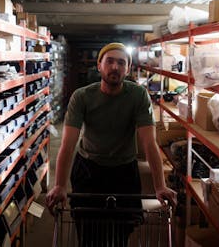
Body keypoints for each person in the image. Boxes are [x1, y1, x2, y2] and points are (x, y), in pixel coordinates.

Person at [46, 42, 177, 246]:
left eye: (121, 63)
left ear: (128, 68)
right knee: (89, 235)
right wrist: (60, 185)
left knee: (120, 235)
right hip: (88, 170)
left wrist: (160, 185)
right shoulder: (82, 97)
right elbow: (68, 144)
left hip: (124, 172)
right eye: (109, 61)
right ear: (99, 65)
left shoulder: (138, 96)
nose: (115, 67)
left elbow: (149, 143)